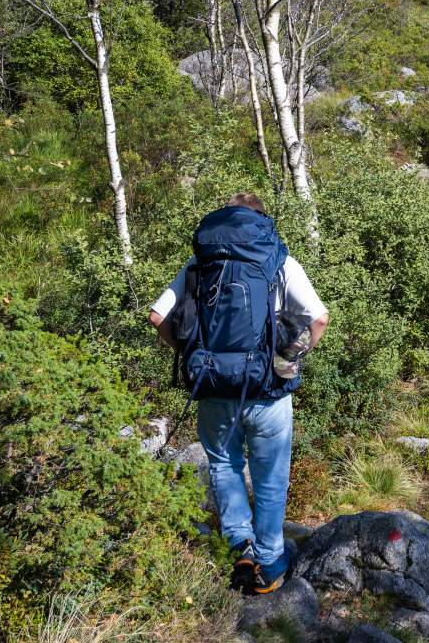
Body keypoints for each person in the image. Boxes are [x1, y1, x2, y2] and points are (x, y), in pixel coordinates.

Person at [150, 192, 328, 595]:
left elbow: (157, 316)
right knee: (270, 479)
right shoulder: (278, 261)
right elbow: (318, 319)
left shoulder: (200, 264)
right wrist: (287, 358)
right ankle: (268, 561)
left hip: (212, 387)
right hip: (267, 391)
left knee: (224, 465)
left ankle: (239, 546)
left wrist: (193, 354)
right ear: (262, 224)